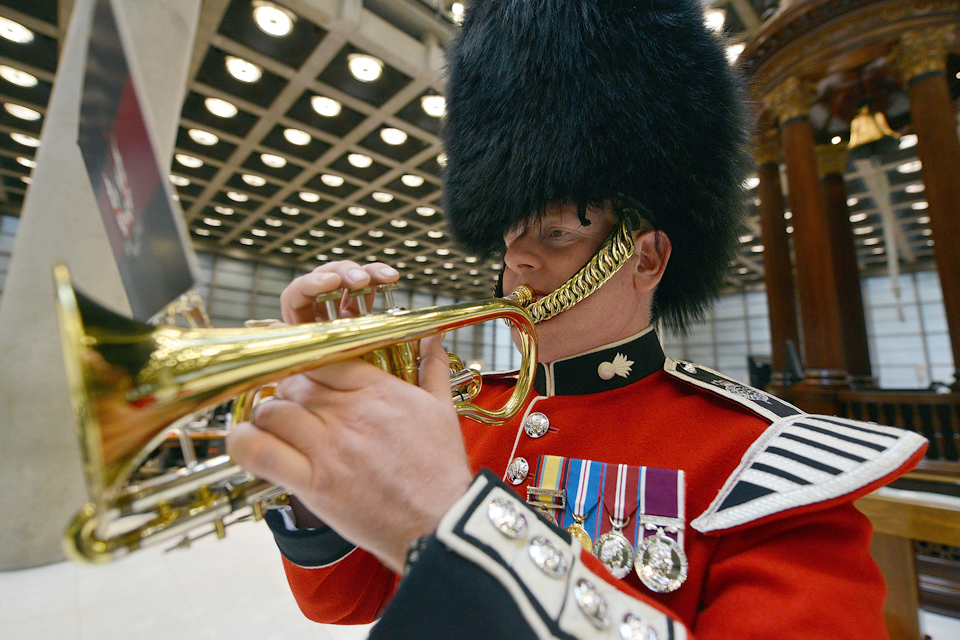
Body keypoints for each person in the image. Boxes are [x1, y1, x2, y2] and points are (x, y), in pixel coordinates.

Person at [226, 1, 928, 638]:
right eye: (508, 241)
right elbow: (340, 603)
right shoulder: (471, 413)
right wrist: (319, 454)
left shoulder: (762, 468)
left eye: (555, 234)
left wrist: (448, 526)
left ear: (646, 258)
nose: (516, 268)